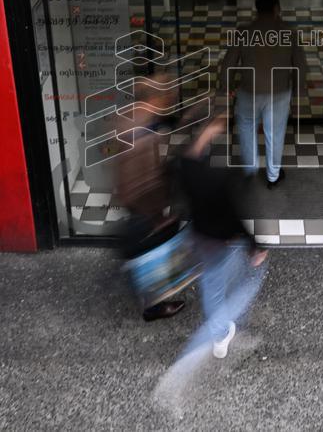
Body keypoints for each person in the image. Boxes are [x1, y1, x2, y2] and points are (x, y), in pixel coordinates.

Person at [178, 114, 268, 359]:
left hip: (201, 239)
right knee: (228, 283)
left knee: (215, 286)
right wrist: (255, 246)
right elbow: (235, 218)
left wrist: (206, 132)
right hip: (220, 243)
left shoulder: (187, 169)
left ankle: (221, 331)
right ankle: (221, 332)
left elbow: (188, 157)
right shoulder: (220, 179)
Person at [115, 73, 187, 322]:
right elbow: (141, 181)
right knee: (151, 251)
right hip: (145, 204)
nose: (169, 100)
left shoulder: (131, 118)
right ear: (154, 98)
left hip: (139, 202)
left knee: (148, 250)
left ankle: (150, 292)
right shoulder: (142, 131)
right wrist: (158, 215)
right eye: (165, 96)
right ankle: (153, 306)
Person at [219, 0, 307, 189]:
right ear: (277, 7)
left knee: (246, 129)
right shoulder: (289, 33)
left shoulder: (244, 32)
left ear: (256, 9)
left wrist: (227, 86)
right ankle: (272, 176)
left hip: (248, 91)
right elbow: (300, 65)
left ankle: (250, 171)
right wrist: (299, 89)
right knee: (274, 134)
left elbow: (228, 63)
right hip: (279, 93)